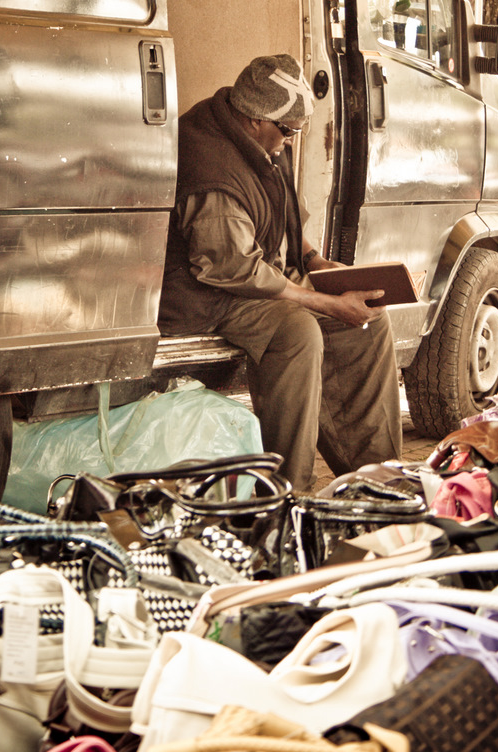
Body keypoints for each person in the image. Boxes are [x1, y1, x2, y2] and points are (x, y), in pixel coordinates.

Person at [158, 53, 402, 490]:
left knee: (370, 322)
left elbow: (287, 212)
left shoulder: (264, 138)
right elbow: (235, 268)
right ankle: (288, 489)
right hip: (209, 293)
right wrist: (323, 300)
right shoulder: (209, 162)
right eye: (288, 131)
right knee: (297, 333)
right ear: (255, 119)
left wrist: (315, 262)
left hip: (258, 275)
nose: (291, 141)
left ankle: (376, 477)